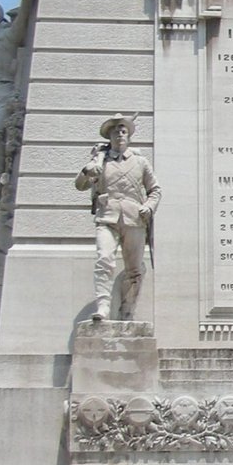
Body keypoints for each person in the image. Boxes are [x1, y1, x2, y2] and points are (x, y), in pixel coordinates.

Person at [75, 114, 160, 322]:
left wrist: (149, 206)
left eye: (123, 131)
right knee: (104, 260)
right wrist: (87, 170)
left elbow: (155, 190)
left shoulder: (141, 162)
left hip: (134, 219)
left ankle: (127, 310)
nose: (120, 134)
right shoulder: (100, 161)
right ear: (109, 137)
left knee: (134, 269)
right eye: (115, 132)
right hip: (107, 217)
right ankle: (103, 306)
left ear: (128, 136)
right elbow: (80, 185)